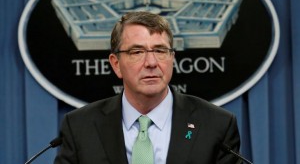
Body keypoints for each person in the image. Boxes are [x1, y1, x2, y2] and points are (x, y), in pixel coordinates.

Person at [54, 11, 241, 164]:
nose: (151, 62)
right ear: (116, 64)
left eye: (160, 51)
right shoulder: (80, 127)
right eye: (137, 52)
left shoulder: (216, 125)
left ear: (172, 58)